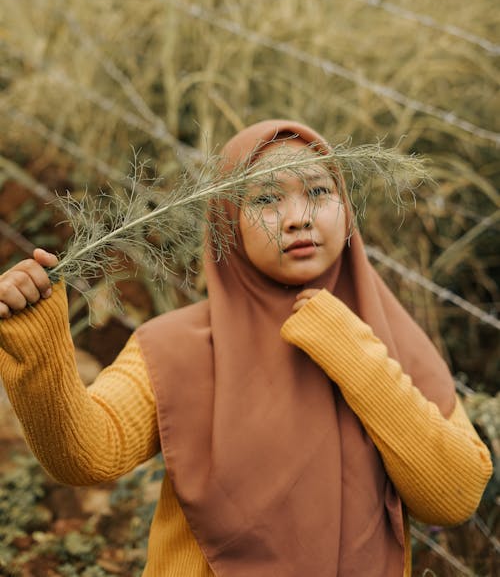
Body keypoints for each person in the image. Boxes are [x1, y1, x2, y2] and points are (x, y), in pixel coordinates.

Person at [0, 119, 492, 577]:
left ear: (346, 209)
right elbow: (85, 456)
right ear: (228, 221)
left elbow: (453, 496)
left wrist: (352, 352)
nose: (297, 218)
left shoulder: (386, 335)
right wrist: (37, 338)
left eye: (319, 191)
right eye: (266, 200)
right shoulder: (174, 348)